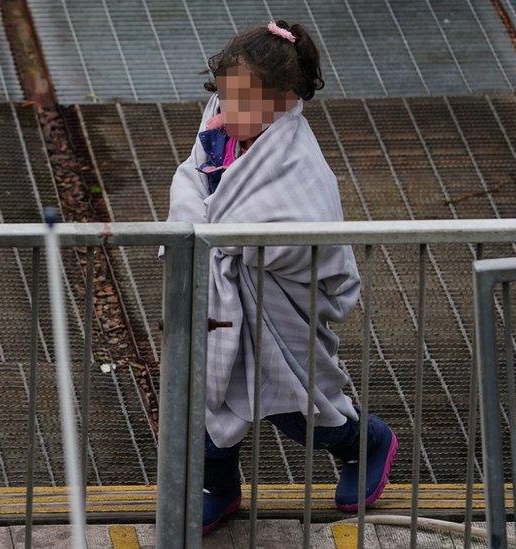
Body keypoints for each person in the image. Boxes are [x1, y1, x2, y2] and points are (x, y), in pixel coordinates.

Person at [165, 20, 398, 535]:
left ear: (287, 100)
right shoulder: (219, 128)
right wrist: (195, 226)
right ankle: (218, 489)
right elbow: (190, 179)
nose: (230, 114)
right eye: (225, 99)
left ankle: (368, 442)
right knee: (207, 396)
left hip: (276, 303)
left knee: (296, 407)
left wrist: (224, 235)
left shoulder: (297, 162)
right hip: (223, 296)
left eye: (245, 105)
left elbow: (301, 232)